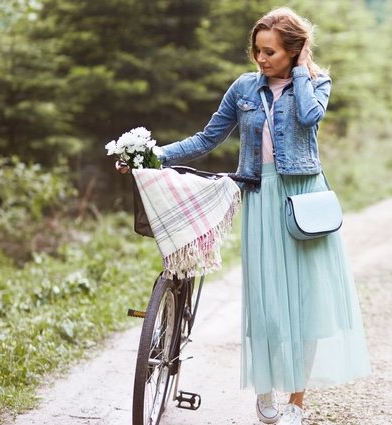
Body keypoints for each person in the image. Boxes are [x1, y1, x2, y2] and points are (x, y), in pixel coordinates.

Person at [146, 7, 370, 424]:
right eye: (257, 51)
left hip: (303, 199)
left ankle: (296, 402)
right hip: (261, 197)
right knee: (266, 303)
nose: (261, 60)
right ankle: (265, 392)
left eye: (270, 52)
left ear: (294, 51)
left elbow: (308, 116)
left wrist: (302, 71)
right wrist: (155, 155)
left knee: (305, 305)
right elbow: (208, 138)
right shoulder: (243, 89)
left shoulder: (317, 83)